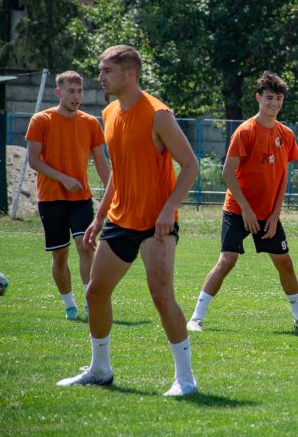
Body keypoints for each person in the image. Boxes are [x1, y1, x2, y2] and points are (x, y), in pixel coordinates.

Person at [57, 45, 199, 396]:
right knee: (96, 292)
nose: (100, 77)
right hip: (120, 220)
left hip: (156, 224)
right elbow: (118, 173)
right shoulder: (108, 113)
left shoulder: (158, 115)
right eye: (101, 70)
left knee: (161, 295)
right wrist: (99, 216)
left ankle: (185, 380)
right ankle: (100, 369)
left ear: (130, 73)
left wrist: (168, 210)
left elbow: (190, 166)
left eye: (107, 71)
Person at [187, 72, 298, 333]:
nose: (274, 103)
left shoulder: (286, 134)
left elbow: (283, 177)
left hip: (268, 214)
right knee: (228, 260)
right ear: (258, 98)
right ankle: (196, 318)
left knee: (285, 263)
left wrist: (275, 215)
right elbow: (227, 173)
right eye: (269, 98)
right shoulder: (245, 131)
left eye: (278, 98)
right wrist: (246, 209)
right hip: (238, 209)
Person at [25, 71, 110, 321]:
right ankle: (69, 305)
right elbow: (33, 161)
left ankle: (91, 303)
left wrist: (114, 192)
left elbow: (101, 162)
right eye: (71, 91)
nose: (76, 96)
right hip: (50, 198)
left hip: (81, 198)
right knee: (60, 255)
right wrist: (63, 178)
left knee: (85, 245)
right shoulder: (41, 120)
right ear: (58, 92)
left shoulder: (91, 123)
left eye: (80, 91)